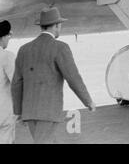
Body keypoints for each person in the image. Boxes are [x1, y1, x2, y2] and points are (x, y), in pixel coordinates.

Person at [11, 7, 95, 144]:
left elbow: (16, 83)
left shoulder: (24, 49)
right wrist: (88, 101)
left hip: (30, 112)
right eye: (60, 25)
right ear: (56, 25)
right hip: (48, 111)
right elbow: (73, 78)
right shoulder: (60, 47)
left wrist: (19, 111)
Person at [0, 20, 16, 144]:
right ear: (3, 36)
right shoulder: (7, 56)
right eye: (9, 36)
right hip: (4, 116)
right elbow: (16, 83)